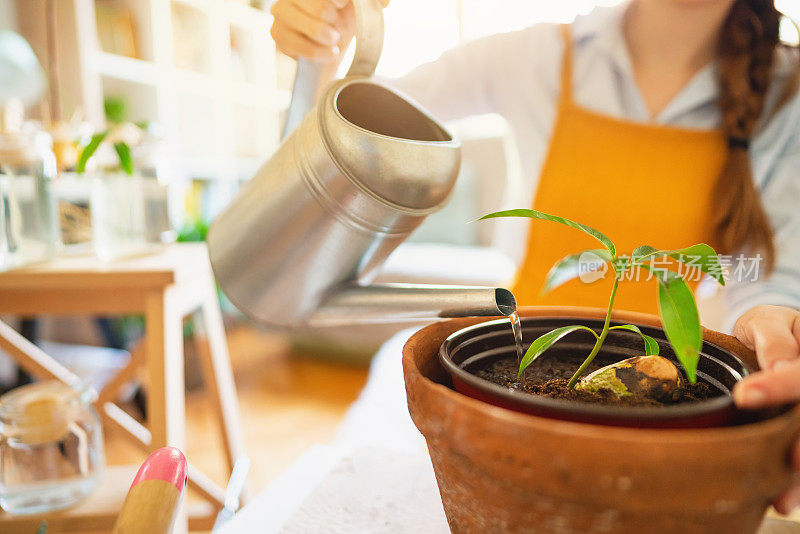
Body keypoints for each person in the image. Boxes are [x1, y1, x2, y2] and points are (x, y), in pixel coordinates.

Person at [270, 0, 800, 513]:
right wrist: (322, 51)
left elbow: (768, 276)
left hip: (666, 412)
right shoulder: (538, 55)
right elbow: (352, 132)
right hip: (515, 376)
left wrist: (774, 330)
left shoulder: (786, 88)